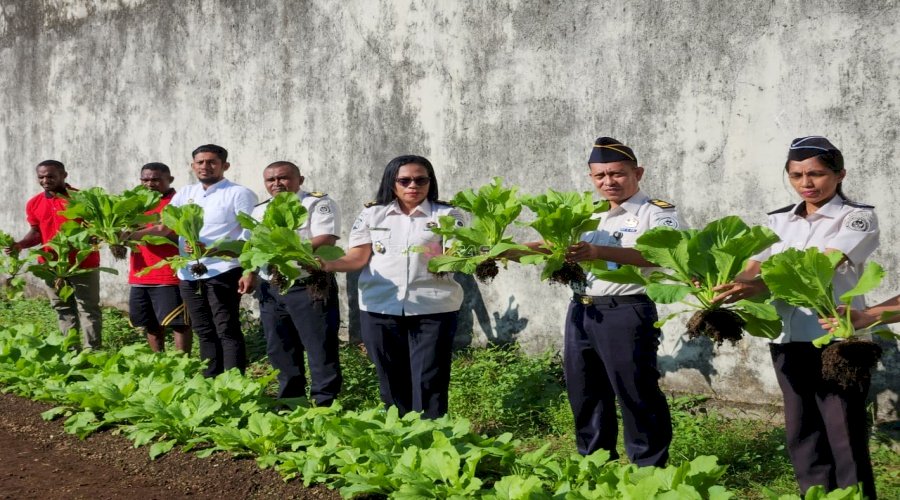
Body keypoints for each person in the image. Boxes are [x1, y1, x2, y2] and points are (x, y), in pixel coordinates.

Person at [713, 136, 879, 499]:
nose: (807, 183)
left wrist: (760, 280)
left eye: (817, 174)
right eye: (797, 175)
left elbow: (822, 264)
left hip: (835, 339)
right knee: (801, 430)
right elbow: (753, 270)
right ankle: (815, 495)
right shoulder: (778, 221)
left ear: (839, 175)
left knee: (843, 433)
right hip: (788, 340)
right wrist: (725, 282)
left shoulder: (857, 218)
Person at [552, 136, 677, 466]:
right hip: (581, 310)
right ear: (592, 178)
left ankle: (649, 467)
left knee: (635, 391)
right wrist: (506, 251)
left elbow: (657, 254)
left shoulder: (658, 213)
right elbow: (555, 245)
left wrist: (598, 251)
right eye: (600, 176)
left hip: (626, 311)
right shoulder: (589, 215)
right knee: (584, 391)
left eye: (617, 174)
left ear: (638, 173)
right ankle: (594, 462)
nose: (609, 182)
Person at [319, 155, 463, 418]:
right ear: (392, 183)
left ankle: (433, 434)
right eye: (404, 180)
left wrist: (452, 257)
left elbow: (457, 255)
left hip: (433, 305)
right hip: (379, 305)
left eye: (421, 180)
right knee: (389, 374)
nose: (413, 186)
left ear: (430, 182)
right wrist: (326, 265)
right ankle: (399, 432)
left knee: (430, 376)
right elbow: (358, 257)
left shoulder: (447, 214)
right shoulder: (373, 213)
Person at [251, 161, 342, 405]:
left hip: (308, 284)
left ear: (300, 180)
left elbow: (326, 239)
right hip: (271, 285)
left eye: (283, 178)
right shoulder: (260, 211)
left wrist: (285, 250)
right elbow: (253, 246)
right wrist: (248, 271)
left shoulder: (317, 203)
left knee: (319, 345)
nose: (277, 184)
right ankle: (291, 401)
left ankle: (324, 402)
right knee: (279, 346)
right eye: (271, 180)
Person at [169, 145, 257, 376]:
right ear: (193, 166)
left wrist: (248, 270)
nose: (205, 167)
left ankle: (234, 381)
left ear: (224, 166)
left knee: (226, 328)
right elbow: (166, 225)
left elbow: (248, 237)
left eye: (211, 162)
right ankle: (210, 378)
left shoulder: (239, 193)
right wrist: (129, 234)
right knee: (203, 329)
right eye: (200, 162)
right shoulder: (185, 193)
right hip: (189, 272)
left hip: (223, 270)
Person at [4, 160, 103, 349]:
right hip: (51, 267)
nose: (45, 180)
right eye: (41, 177)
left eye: (51, 176)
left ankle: (93, 351)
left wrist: (94, 237)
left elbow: (96, 229)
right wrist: (20, 244)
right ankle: (71, 351)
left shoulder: (81, 198)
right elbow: (36, 232)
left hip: (82, 264)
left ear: (64, 176)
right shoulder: (34, 203)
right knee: (63, 308)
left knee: (88, 308)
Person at [127, 162, 192, 353]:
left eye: (155, 179)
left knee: (179, 323)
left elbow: (163, 230)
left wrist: (125, 235)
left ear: (169, 180)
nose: (150, 184)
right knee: (151, 323)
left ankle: (183, 362)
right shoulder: (136, 204)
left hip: (168, 274)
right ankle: (159, 360)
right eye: (145, 180)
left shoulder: (177, 201)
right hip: (140, 273)